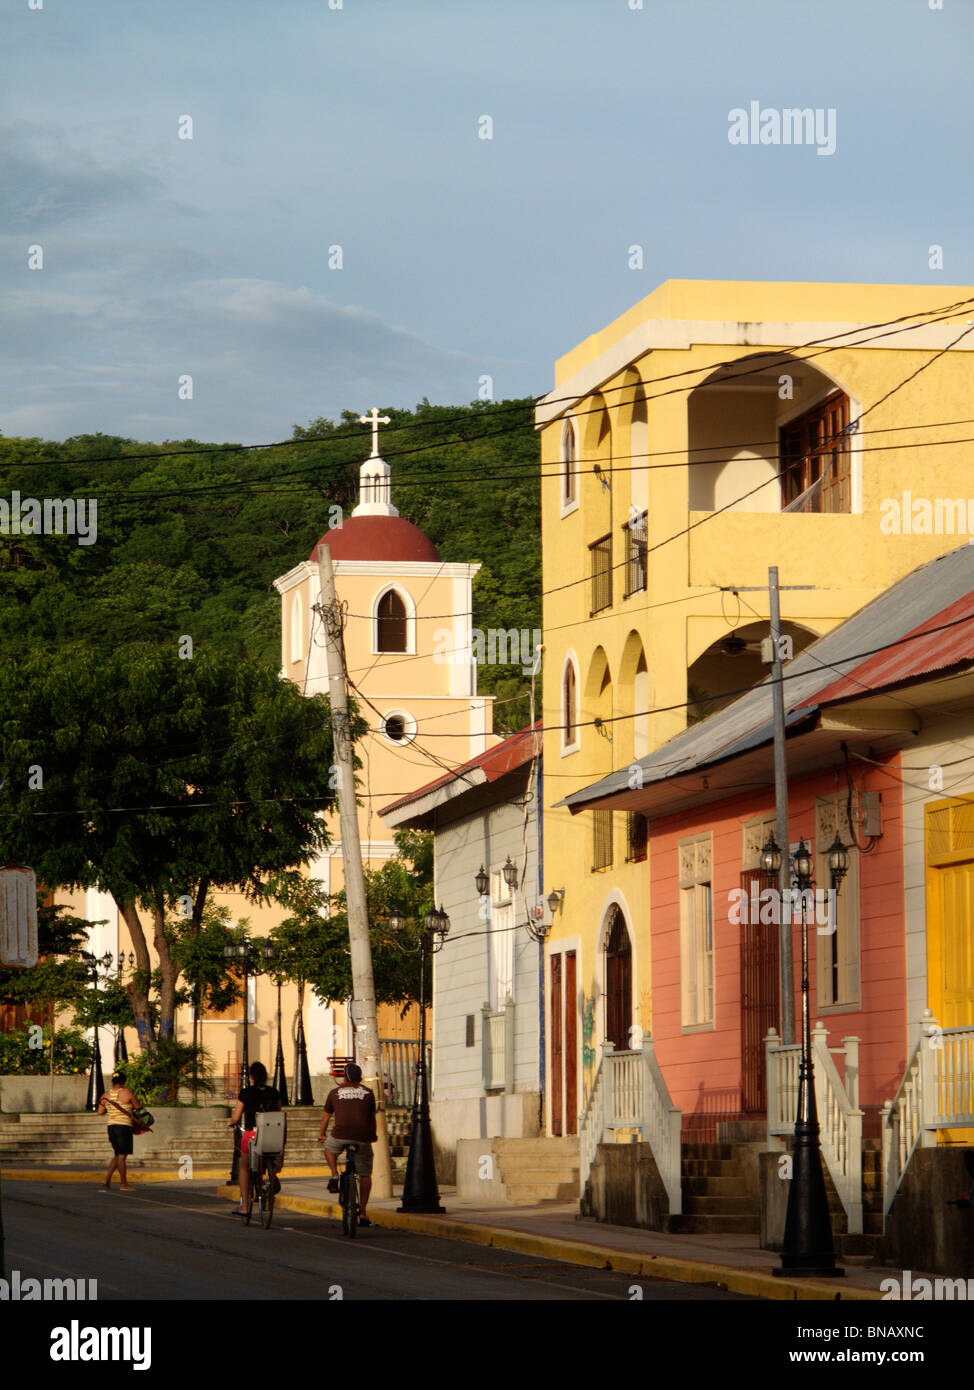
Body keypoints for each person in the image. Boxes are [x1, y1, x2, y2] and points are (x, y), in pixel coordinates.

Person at [318, 1061, 377, 1227]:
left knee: (329, 1149)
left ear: (344, 1077)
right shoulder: (368, 1092)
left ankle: (334, 1174)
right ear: (360, 1078)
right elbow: (371, 1118)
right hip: (362, 1137)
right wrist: (372, 1136)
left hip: (340, 1135)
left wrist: (321, 1134)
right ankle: (363, 1212)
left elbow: (325, 1118)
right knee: (365, 1174)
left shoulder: (334, 1093)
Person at [226, 1061, 284, 1215]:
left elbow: (237, 1116)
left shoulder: (246, 1093)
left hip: (253, 1135)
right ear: (265, 1076)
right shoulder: (274, 1093)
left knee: (244, 1168)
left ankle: (245, 1206)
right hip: (273, 1135)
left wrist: (231, 1122)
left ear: (251, 1077)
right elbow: (278, 1114)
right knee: (270, 1156)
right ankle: (270, 1178)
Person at [96, 1071, 139, 1192]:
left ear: (113, 1082)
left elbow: (100, 1112)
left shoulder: (105, 1095)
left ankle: (107, 1179)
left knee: (117, 1153)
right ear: (124, 1081)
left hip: (111, 1127)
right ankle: (124, 1184)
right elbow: (137, 1106)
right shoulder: (127, 1093)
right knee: (121, 1156)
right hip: (123, 1127)